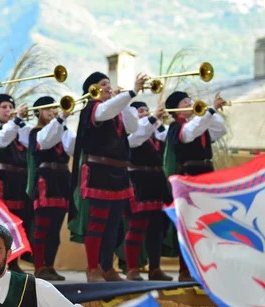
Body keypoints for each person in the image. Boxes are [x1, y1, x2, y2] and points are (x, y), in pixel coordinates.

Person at [69, 72, 145, 282]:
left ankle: (107, 267)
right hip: (99, 172)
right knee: (97, 223)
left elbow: (133, 126)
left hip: (119, 173)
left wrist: (126, 101)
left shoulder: (115, 109)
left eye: (109, 84)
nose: (108, 87)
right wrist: (131, 92)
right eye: (103, 84)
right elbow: (103, 112)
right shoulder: (92, 109)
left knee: (113, 224)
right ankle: (92, 268)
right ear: (93, 89)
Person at [164, 91, 227, 282]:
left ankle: (204, 268)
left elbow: (220, 129)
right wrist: (209, 111)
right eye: (185, 101)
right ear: (176, 109)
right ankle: (185, 270)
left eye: (190, 100)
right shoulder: (176, 127)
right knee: (188, 223)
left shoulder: (200, 124)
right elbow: (189, 134)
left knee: (205, 222)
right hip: (189, 176)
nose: (190, 103)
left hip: (206, 175)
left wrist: (210, 112)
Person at [123, 101, 173, 281]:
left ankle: (155, 268)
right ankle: (131, 269)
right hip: (139, 181)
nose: (144, 113)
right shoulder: (131, 131)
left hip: (156, 182)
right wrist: (151, 119)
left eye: (146, 110)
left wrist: (158, 123)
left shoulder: (154, 130)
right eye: (140, 111)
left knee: (156, 228)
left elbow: (167, 138)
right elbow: (137, 137)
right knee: (137, 226)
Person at [28, 97, 76, 281]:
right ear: (38, 112)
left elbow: (71, 148)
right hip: (45, 179)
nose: (52, 111)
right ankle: (39, 266)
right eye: (47, 109)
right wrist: (61, 119)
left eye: (54, 108)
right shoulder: (36, 132)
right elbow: (45, 141)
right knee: (42, 226)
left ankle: (50, 265)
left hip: (62, 180)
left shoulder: (61, 129)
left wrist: (64, 123)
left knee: (55, 228)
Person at [0, 94, 32, 275]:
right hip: (3, 180)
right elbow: (2, 139)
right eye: (4, 107)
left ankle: (14, 262)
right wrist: (17, 119)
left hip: (19, 181)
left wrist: (20, 122)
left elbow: (32, 141)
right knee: (2, 224)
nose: (8, 110)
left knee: (19, 223)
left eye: (10, 106)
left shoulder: (18, 130)